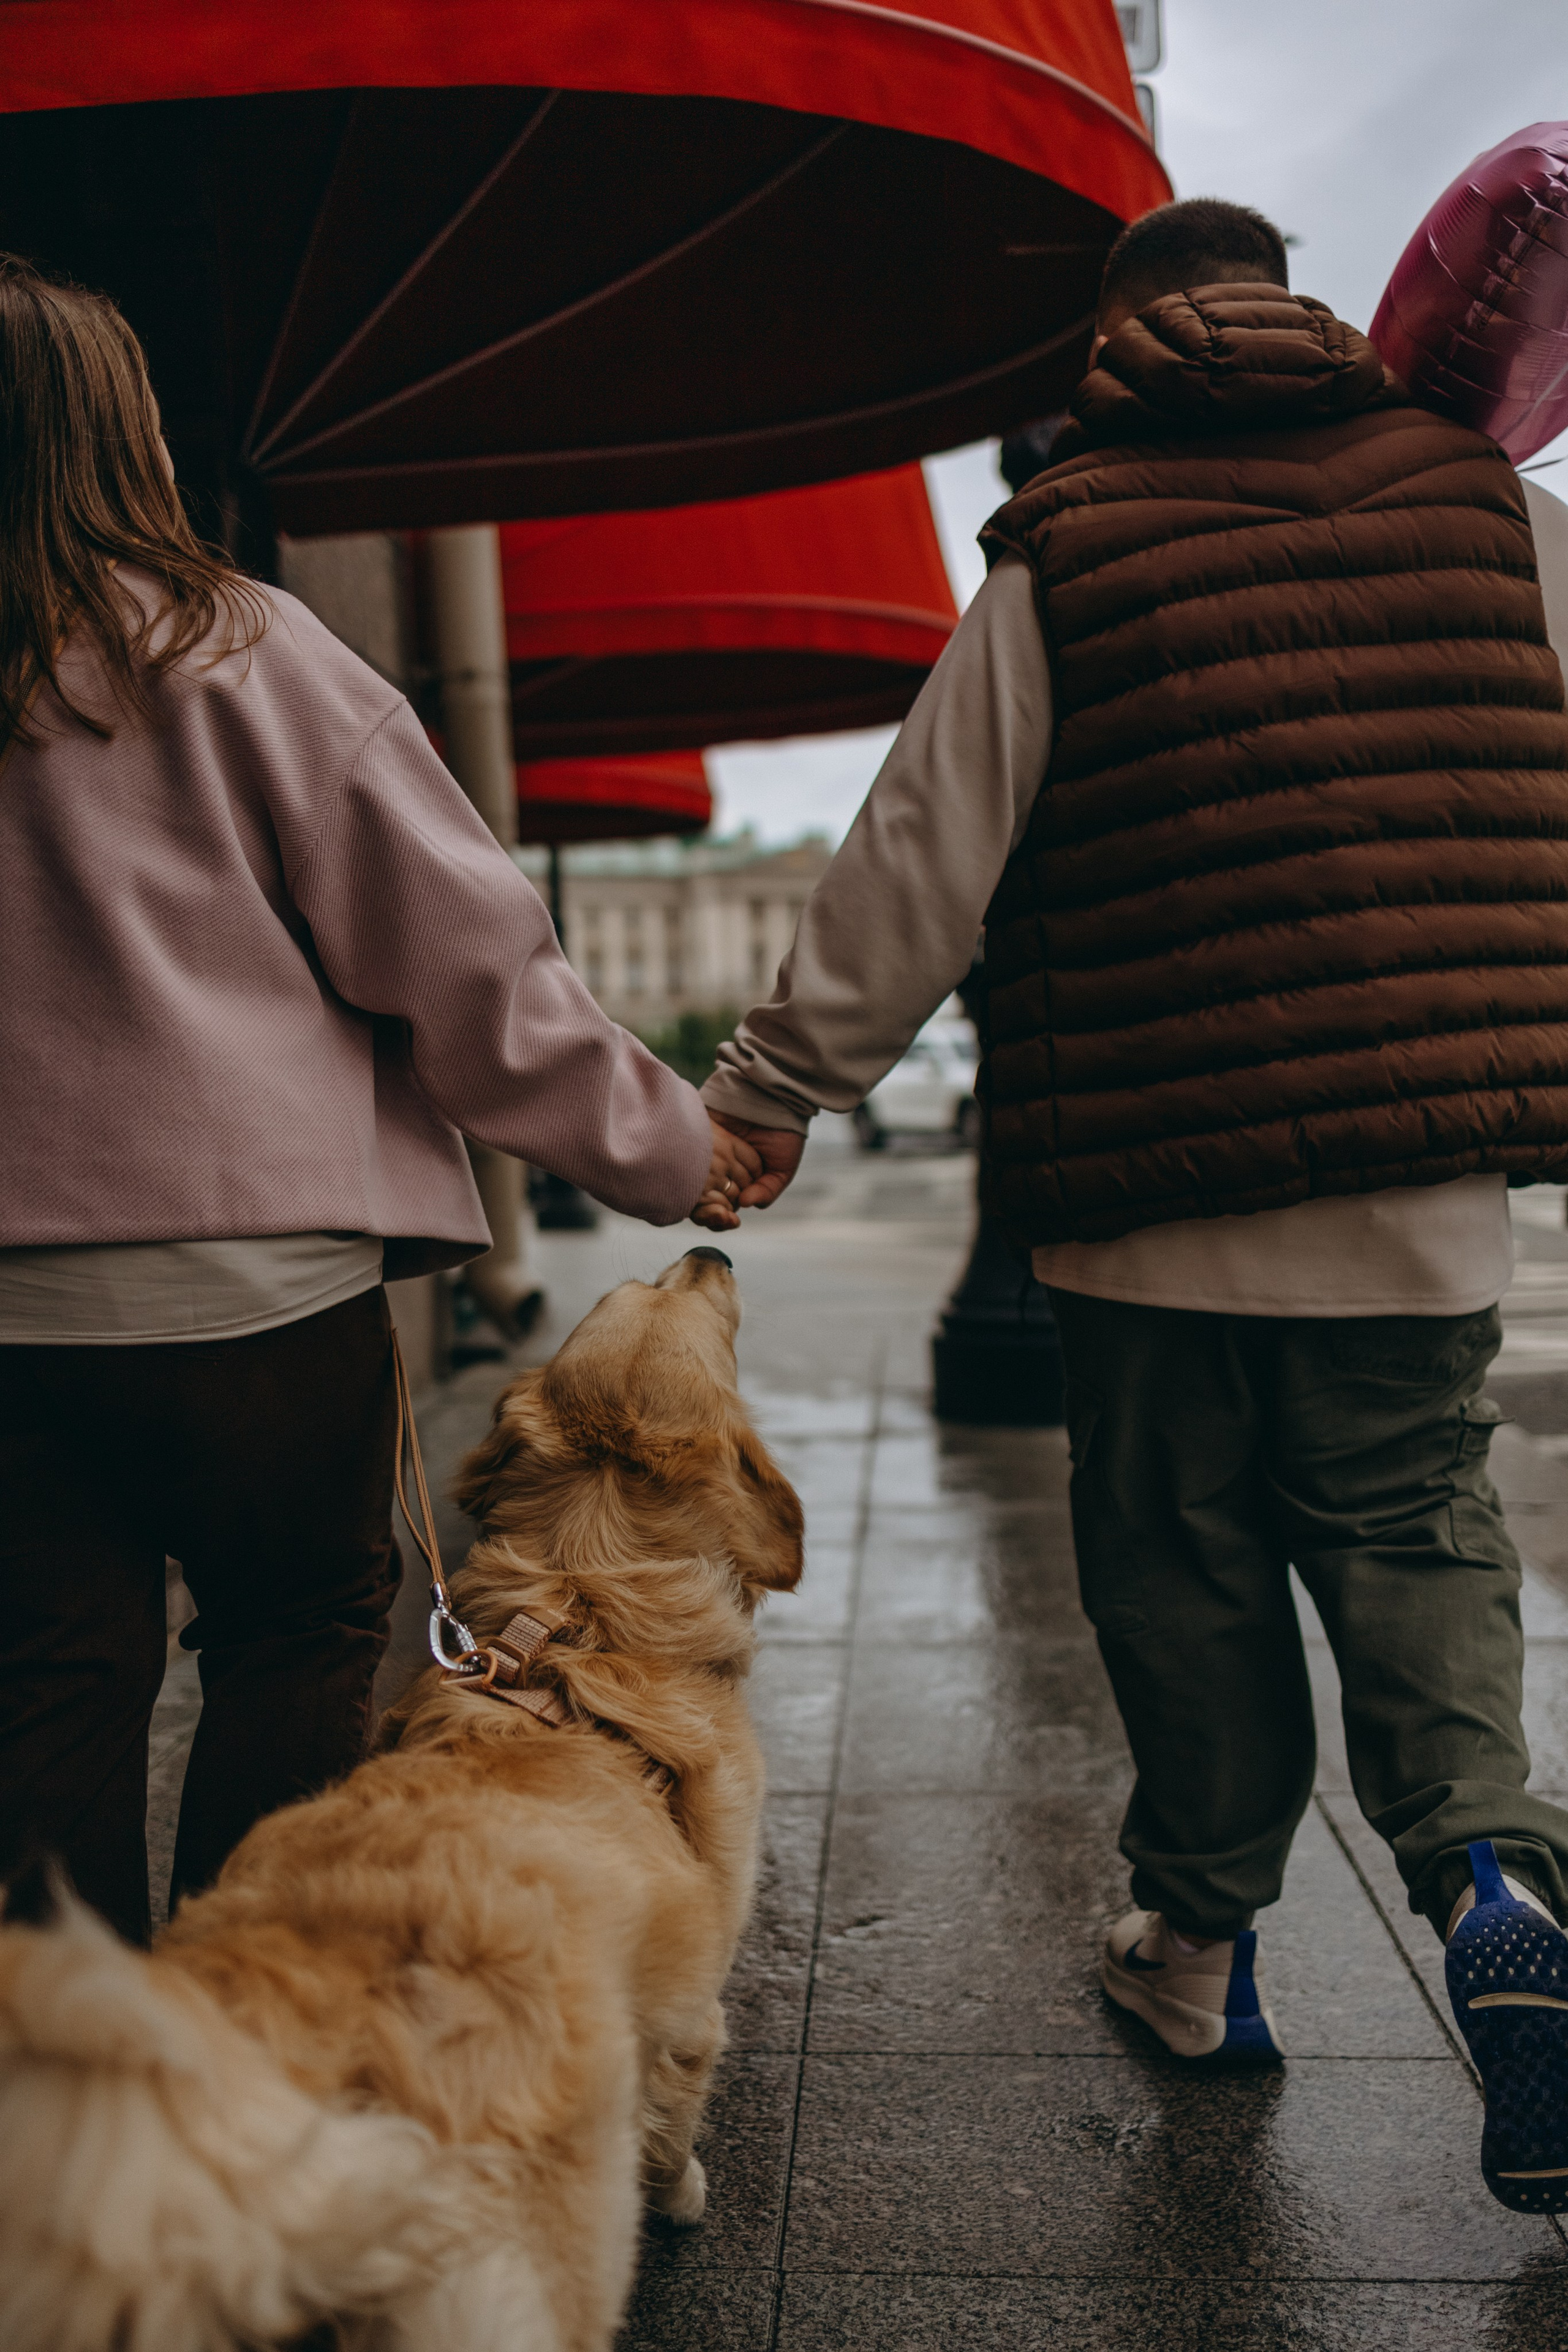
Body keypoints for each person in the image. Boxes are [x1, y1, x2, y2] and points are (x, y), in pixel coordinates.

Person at [701, 198, 1568, 2212]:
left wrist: (772, 1089)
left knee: (1180, 1570)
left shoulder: (1072, 534)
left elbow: (924, 845)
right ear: (1304, 308)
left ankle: (1196, 1953)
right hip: (1417, 1178)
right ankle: (1497, 1875)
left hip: (1148, 1192)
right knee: (1418, 1532)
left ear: (1119, 338)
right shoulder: (1495, 515)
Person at [0, 254, 757, 1950]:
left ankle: (69, 2109)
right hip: (255, 1295)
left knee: (48, 1683)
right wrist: (675, 1150)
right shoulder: (243, 653)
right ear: (126, 437)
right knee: (293, 1636)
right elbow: (475, 980)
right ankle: (254, 2058)